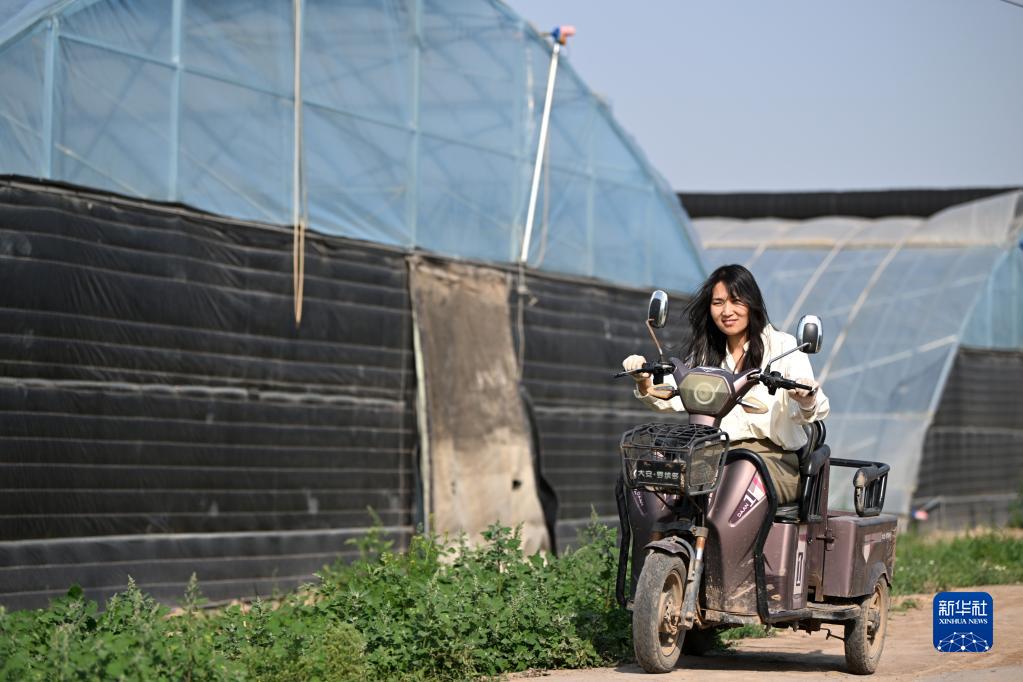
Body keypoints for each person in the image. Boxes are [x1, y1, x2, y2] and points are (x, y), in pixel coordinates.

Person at [622, 264, 829, 504]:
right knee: (652, 482)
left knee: (725, 487)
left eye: (736, 301)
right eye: (718, 302)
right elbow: (673, 393)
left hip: (770, 460)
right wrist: (644, 380)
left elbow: (813, 405)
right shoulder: (706, 354)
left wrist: (806, 398)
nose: (727, 311)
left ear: (752, 303)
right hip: (710, 455)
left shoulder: (784, 347)